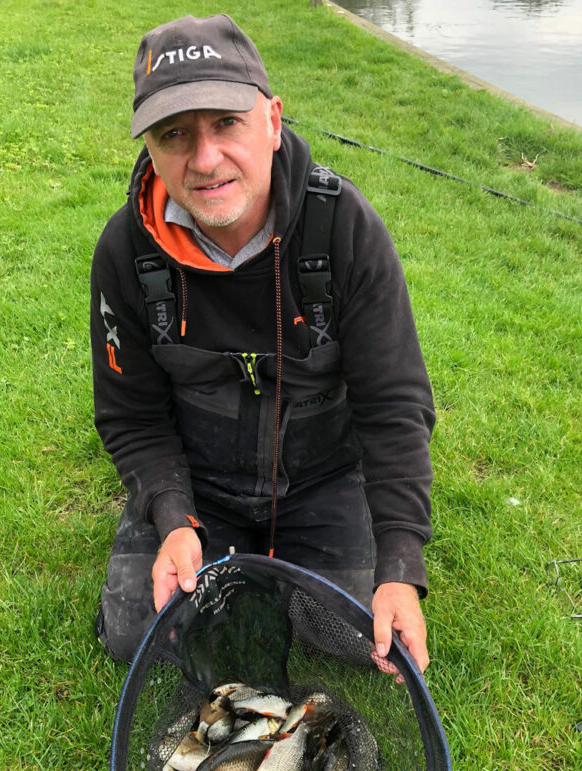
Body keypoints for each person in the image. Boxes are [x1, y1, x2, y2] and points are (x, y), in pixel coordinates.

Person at [90, 13, 435, 671]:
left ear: (273, 121)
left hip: (322, 477)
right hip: (199, 485)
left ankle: (306, 574)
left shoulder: (345, 230)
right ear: (152, 149)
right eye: (174, 134)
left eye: (226, 123)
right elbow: (131, 417)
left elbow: (395, 409)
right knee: (137, 638)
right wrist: (172, 516)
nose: (205, 159)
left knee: (358, 638)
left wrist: (399, 565)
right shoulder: (125, 252)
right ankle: (199, 547)